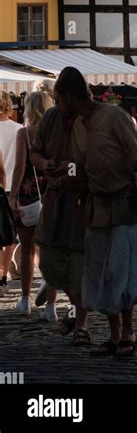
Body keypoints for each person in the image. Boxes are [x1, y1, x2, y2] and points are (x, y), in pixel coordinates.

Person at [48, 68, 137, 358]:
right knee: (102, 274)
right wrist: (62, 179)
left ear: (71, 96)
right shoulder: (78, 126)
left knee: (122, 271)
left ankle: (128, 332)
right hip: (95, 209)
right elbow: (81, 168)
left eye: (59, 100)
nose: (58, 107)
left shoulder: (114, 116)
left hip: (123, 204)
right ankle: (112, 334)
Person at [30, 77, 90, 344]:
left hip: (82, 201)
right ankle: (76, 312)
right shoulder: (51, 118)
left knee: (79, 265)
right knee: (49, 262)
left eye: (61, 98)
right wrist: (46, 164)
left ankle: (82, 325)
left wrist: (72, 169)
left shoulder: (89, 118)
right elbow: (35, 153)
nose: (58, 103)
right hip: (55, 201)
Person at [9, 91, 59, 320]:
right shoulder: (56, 132)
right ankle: (51, 307)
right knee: (51, 250)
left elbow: (19, 167)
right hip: (54, 195)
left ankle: (25, 300)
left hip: (29, 196)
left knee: (28, 250)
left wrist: (13, 195)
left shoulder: (25, 133)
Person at [0, 93, 22, 296]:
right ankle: (3, 276)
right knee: (10, 237)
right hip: (14, 188)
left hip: (2, 185)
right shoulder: (19, 130)